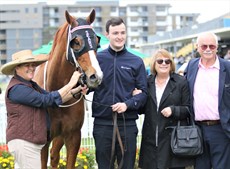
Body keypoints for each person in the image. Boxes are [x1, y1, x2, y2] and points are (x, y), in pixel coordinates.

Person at [0, 50, 87, 169]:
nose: (32, 68)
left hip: (29, 142)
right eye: (27, 65)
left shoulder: (31, 85)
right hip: (24, 142)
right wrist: (71, 83)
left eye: (33, 65)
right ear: (17, 68)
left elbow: (54, 98)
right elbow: (46, 100)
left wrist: (76, 91)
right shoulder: (17, 88)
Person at [91, 17, 147, 169]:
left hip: (127, 123)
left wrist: (127, 105)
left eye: (122, 32)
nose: (120, 36)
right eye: (115, 33)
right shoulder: (97, 59)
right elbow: (89, 85)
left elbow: (144, 94)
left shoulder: (136, 61)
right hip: (102, 123)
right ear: (107, 34)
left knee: (127, 166)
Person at [138, 49, 194, 169]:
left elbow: (188, 109)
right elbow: (141, 109)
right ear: (154, 64)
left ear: (171, 63)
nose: (164, 63)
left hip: (173, 141)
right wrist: (137, 96)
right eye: (160, 61)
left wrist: (173, 110)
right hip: (150, 140)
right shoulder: (147, 82)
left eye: (167, 61)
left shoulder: (181, 82)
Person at [185, 32, 230, 169]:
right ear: (198, 47)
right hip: (197, 130)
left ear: (217, 47)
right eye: (204, 46)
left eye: (212, 46)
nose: (208, 49)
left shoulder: (227, 68)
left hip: (221, 130)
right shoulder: (191, 66)